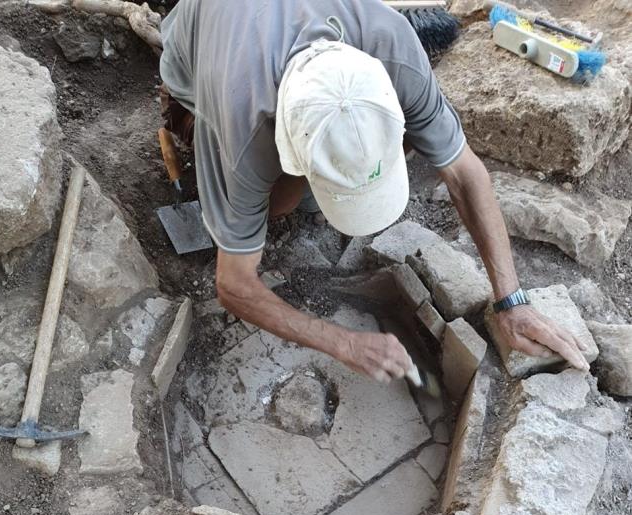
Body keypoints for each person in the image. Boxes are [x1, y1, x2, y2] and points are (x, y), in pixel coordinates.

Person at [159, 0, 590, 383]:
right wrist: (343, 343)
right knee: (280, 204)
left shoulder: (394, 48)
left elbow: (464, 173)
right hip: (193, 71)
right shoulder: (241, 126)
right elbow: (233, 285)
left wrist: (511, 301)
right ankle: (200, 131)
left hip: (270, 36)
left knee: (403, 144)